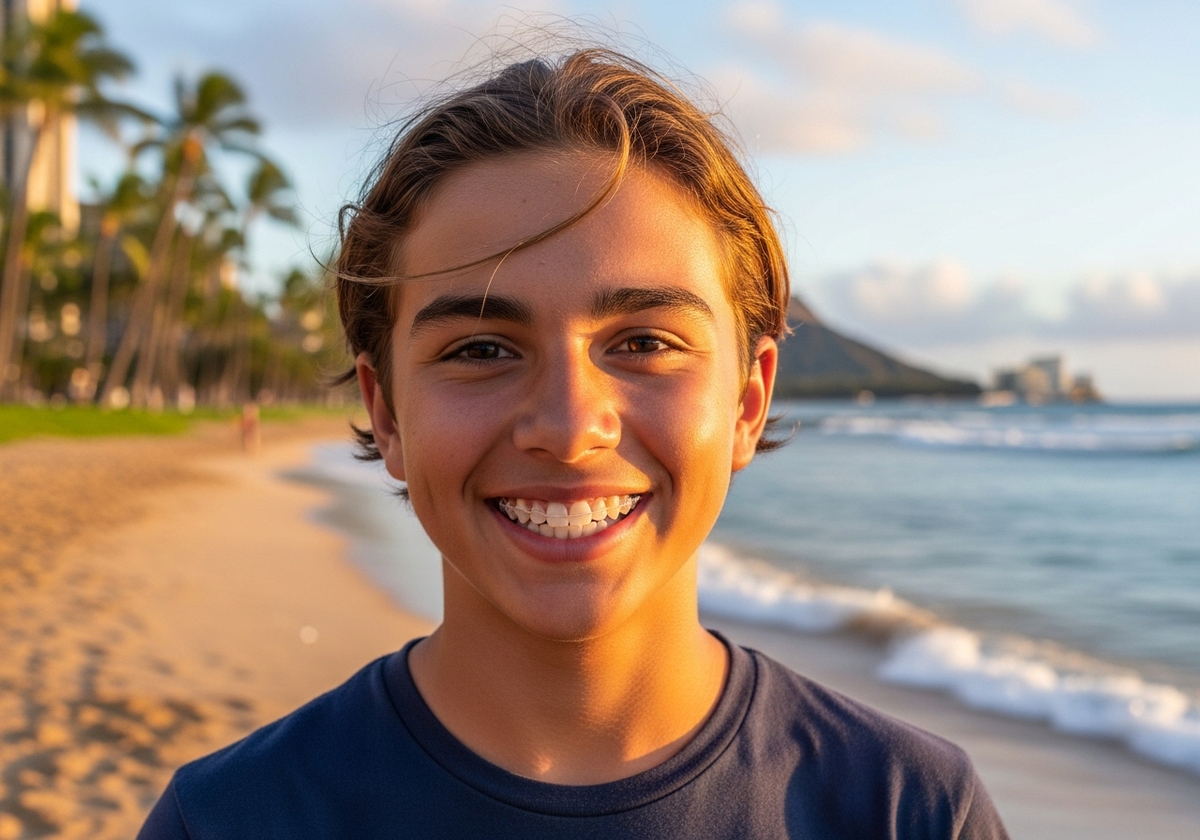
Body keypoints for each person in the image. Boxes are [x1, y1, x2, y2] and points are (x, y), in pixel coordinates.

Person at [139, 47, 1009, 839]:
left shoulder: (908, 811)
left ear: (747, 402)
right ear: (389, 412)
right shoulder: (228, 822)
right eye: (480, 350)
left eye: (643, 344)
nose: (566, 426)